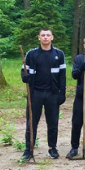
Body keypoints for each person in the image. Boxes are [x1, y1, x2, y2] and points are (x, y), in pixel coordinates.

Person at [21, 28, 67, 160]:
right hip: (35, 93)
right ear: (39, 37)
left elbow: (62, 76)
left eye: (48, 35)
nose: (45, 37)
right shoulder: (31, 54)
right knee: (31, 122)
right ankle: (28, 150)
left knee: (53, 122)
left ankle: (52, 148)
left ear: (52, 37)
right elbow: (24, 70)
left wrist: (61, 93)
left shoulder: (59, 54)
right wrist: (25, 77)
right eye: (43, 35)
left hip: (52, 94)